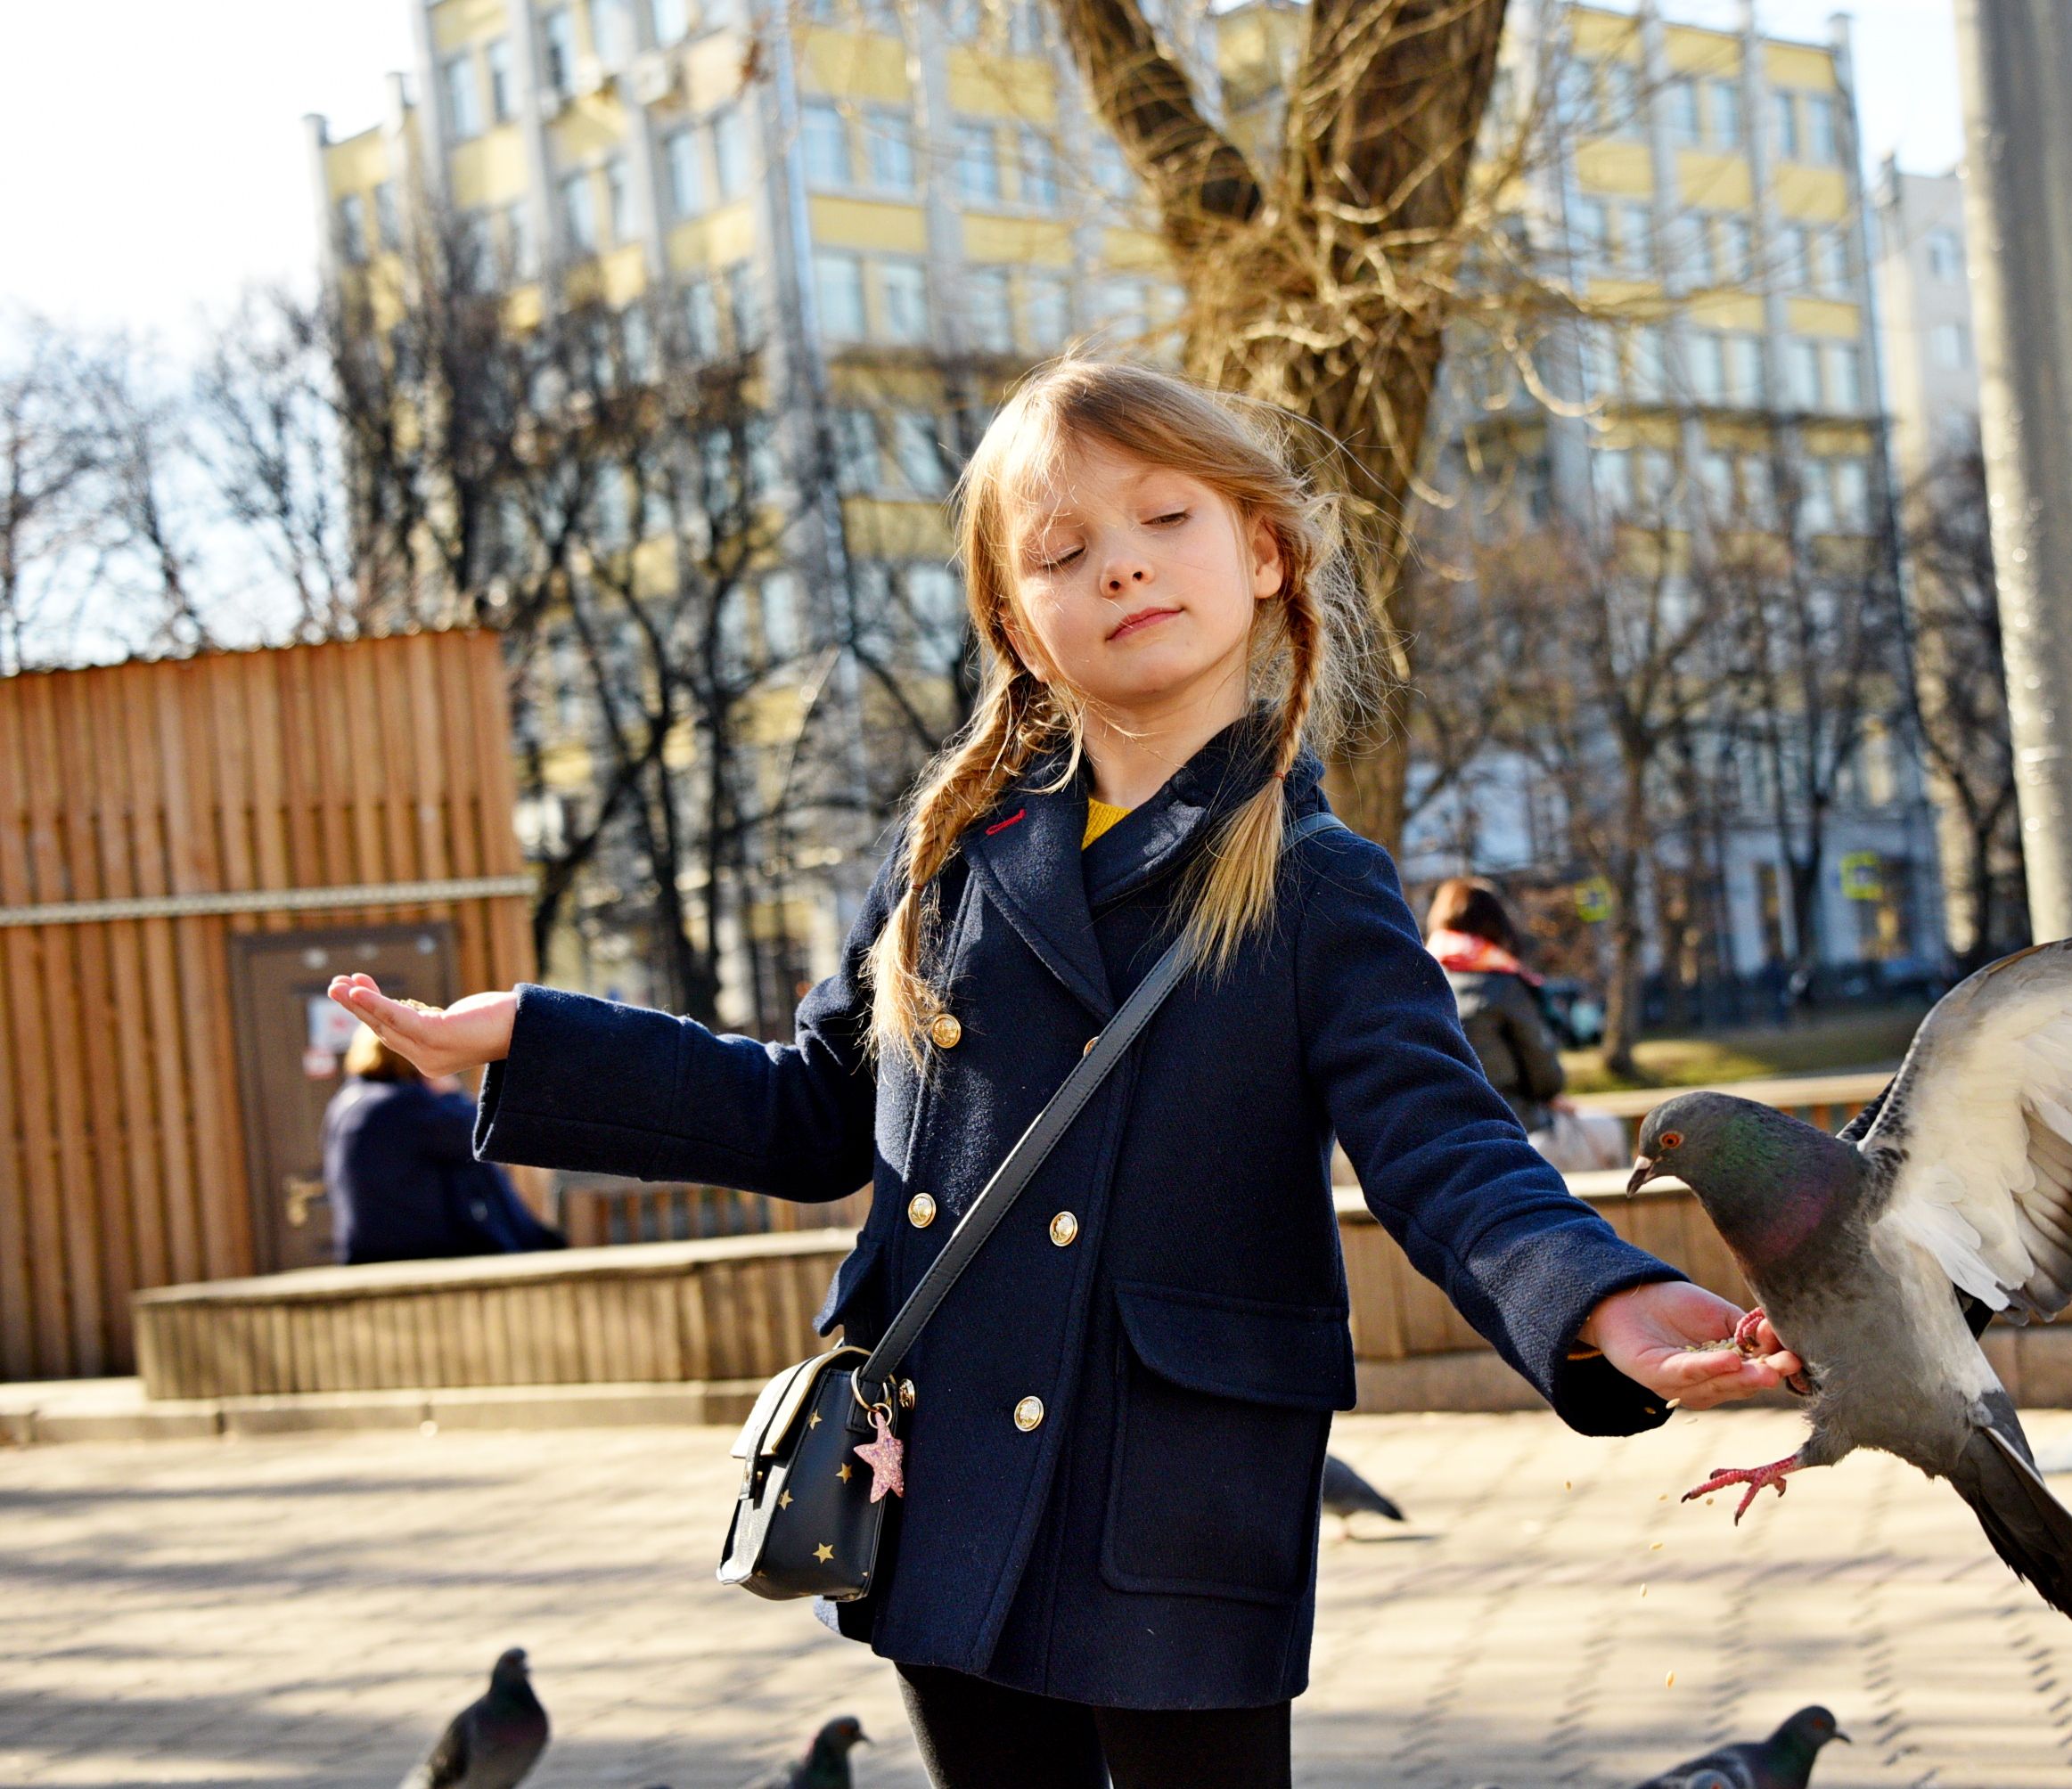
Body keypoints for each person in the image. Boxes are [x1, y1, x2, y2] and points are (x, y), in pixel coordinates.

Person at [327, 357, 1798, 1789]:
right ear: (1015, 620)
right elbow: (807, 1110)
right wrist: (534, 1035)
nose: (1121, 567)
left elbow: (1440, 1144)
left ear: (1266, 550)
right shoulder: (948, 864)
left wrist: (1596, 1298)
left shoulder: (1314, 881)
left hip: (1175, 1491)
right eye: (1063, 547)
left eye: (1167, 519)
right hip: (942, 1466)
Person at [320, 1025, 564, 1265]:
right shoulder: (404, 1105)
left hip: (368, 1250)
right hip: (421, 1251)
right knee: (476, 1162)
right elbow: (485, 1132)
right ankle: (533, 1242)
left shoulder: (346, 1103)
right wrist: (449, 1090)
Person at [1423, 877, 1567, 1133]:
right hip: (1510, 1125)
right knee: (1605, 1129)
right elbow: (1546, 1078)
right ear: (1496, 922)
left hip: (1436, 1131)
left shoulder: (1417, 977)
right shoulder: (1502, 982)